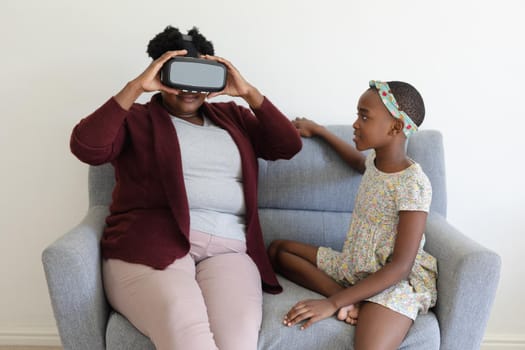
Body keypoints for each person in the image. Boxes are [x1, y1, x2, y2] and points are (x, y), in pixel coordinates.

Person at [70, 25, 302, 350]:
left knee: (238, 342)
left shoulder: (232, 116)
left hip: (228, 251)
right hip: (150, 248)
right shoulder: (135, 119)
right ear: (160, 74)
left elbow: (287, 145)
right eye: (178, 76)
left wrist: (248, 92)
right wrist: (135, 87)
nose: (188, 89)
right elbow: (86, 148)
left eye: (199, 76)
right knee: (189, 337)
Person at [268, 80, 438, 349]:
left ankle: (349, 298)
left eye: (364, 116)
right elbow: (358, 162)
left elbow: (401, 266)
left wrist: (331, 304)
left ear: (395, 127)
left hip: (392, 280)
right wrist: (320, 131)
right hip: (355, 265)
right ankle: (352, 298)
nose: (355, 124)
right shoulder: (375, 160)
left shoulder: (413, 183)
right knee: (278, 250)